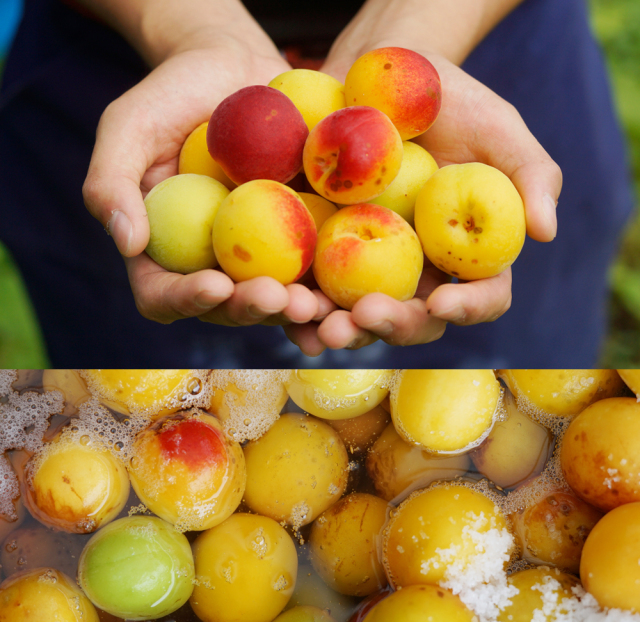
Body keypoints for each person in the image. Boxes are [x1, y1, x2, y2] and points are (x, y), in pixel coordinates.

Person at [0, 0, 633, 367]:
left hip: (478, 42)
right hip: (122, 50)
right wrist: (189, 24)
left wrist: (414, 27)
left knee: (508, 403)